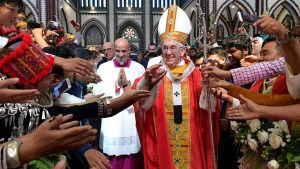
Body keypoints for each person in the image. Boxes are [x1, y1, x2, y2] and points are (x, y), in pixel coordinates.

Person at [133, 5, 220, 169]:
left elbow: (209, 110)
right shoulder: (155, 75)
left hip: (192, 141)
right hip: (163, 141)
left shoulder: (196, 75)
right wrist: (146, 82)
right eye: (165, 47)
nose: (168, 52)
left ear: (183, 50)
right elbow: (137, 98)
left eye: (173, 47)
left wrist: (210, 87)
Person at [93, 38, 145, 169]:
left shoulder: (139, 68)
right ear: (113, 50)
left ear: (129, 50)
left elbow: (144, 91)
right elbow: (96, 91)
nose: (120, 54)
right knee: (112, 153)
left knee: (132, 153)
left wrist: (128, 85)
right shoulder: (103, 68)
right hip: (112, 117)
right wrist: (116, 84)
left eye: (123, 51)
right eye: (117, 51)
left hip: (131, 116)